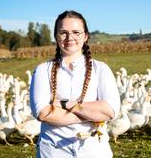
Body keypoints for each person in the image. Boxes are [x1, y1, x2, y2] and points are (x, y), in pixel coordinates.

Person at [30, 10, 120, 158]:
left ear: (85, 36)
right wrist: (92, 114)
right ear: (56, 37)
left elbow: (109, 111)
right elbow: (43, 113)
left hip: (95, 151)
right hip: (54, 150)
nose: (70, 37)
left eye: (76, 32)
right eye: (63, 32)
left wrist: (68, 104)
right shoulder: (42, 71)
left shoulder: (101, 69)